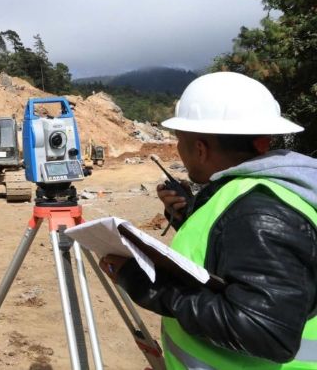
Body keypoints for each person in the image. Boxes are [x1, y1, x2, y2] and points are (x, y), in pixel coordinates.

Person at [98, 72, 317, 368]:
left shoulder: (259, 212)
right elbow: (240, 255)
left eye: (179, 140)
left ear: (200, 148)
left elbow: (267, 332)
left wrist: (147, 284)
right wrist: (188, 214)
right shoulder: (269, 190)